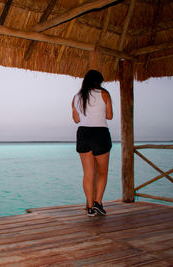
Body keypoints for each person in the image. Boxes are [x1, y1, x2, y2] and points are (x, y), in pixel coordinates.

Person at [71, 70, 113, 217]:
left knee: (88, 173)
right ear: (99, 81)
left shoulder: (76, 97)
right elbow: (109, 116)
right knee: (102, 172)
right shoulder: (104, 94)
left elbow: (76, 120)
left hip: (83, 134)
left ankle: (89, 207)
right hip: (100, 133)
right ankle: (98, 203)